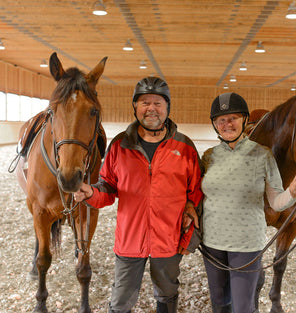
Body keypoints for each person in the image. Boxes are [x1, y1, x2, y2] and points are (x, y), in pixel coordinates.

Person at [74, 76, 202, 313]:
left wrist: (190, 219)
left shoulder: (185, 147)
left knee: (167, 293)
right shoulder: (120, 145)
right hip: (130, 240)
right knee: (121, 300)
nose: (151, 108)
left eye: (158, 103)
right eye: (144, 102)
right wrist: (90, 192)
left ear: (167, 108)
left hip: (168, 239)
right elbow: (108, 189)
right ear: (135, 107)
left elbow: (195, 191)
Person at [200, 92, 296, 313]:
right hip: (213, 243)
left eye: (233, 118)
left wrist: (294, 189)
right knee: (219, 305)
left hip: (247, 245)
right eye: (221, 120)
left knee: (244, 307)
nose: (227, 124)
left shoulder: (263, 155)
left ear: (244, 120)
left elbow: (277, 202)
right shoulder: (208, 156)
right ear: (215, 125)